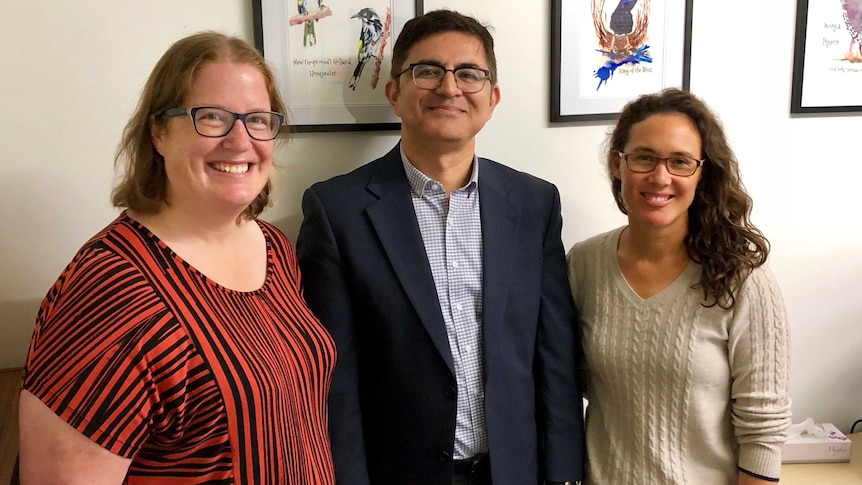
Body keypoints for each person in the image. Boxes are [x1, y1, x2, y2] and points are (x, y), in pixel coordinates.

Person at [18, 32, 336, 484]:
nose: (240, 140)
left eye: (258, 120)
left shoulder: (273, 247)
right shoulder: (113, 291)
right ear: (158, 131)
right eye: (211, 117)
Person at [296, 9, 585, 485]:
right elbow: (334, 380)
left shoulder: (534, 204)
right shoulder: (336, 210)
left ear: (492, 99)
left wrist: (564, 473)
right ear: (394, 92)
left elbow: (554, 357)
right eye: (427, 71)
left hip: (514, 470)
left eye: (469, 74)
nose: (449, 87)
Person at [566, 88, 791, 485]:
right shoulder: (584, 263)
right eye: (644, 157)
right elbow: (570, 386)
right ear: (617, 164)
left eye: (680, 162)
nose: (660, 177)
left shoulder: (744, 277)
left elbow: (763, 432)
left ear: (702, 173)